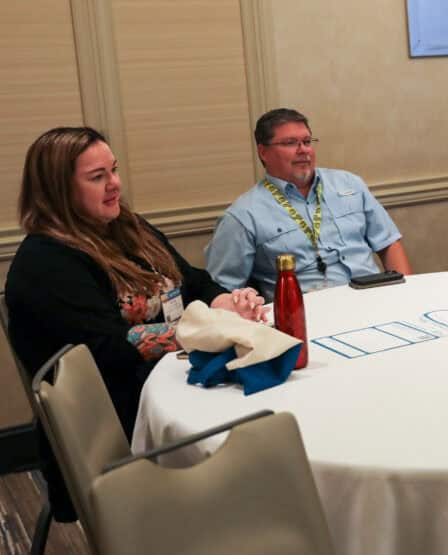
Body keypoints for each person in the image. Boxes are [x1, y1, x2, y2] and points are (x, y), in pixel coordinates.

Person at [5, 127, 265, 520]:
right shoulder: (47, 261)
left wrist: (226, 301)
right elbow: (110, 347)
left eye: (114, 170)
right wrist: (208, 329)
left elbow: (191, 279)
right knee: (262, 442)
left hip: (171, 383)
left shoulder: (126, 226)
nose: (114, 185)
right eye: (97, 177)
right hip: (121, 427)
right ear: (58, 190)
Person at [206, 108, 411, 298]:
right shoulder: (243, 216)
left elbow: (389, 243)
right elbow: (223, 292)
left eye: (307, 141)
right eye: (290, 143)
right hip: (308, 315)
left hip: (374, 297)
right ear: (263, 152)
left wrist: (407, 294)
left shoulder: (349, 184)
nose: (303, 150)